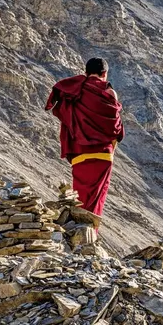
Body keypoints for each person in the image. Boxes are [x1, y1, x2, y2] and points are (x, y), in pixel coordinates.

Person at [45, 58, 124, 219]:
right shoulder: (108, 92)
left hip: (79, 154)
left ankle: (76, 231)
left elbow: (66, 117)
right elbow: (114, 126)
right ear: (105, 73)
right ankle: (88, 236)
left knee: (79, 197)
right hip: (102, 154)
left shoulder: (74, 91)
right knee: (96, 198)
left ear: (86, 72)